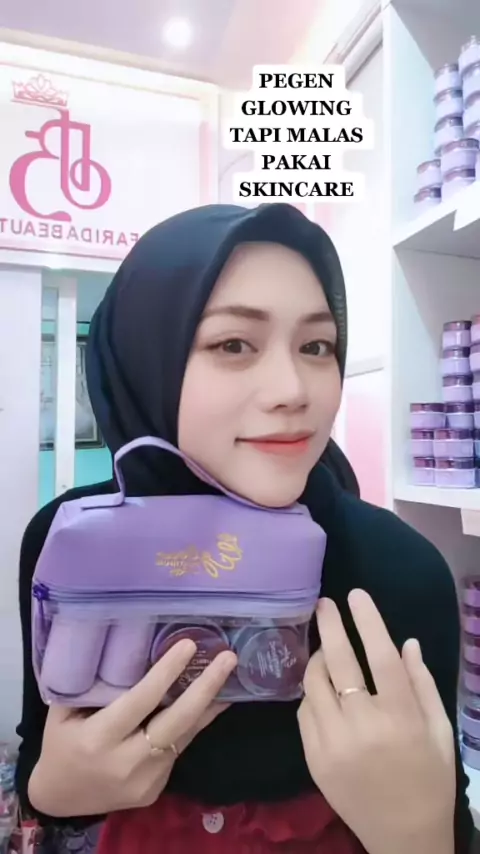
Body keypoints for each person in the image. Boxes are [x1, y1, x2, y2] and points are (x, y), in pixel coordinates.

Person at [15, 203, 472, 854]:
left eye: (316, 346)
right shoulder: (68, 544)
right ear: (147, 356)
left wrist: (418, 836)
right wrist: (54, 792)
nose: (294, 389)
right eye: (234, 344)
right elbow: (40, 759)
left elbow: (446, 806)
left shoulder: (399, 569)